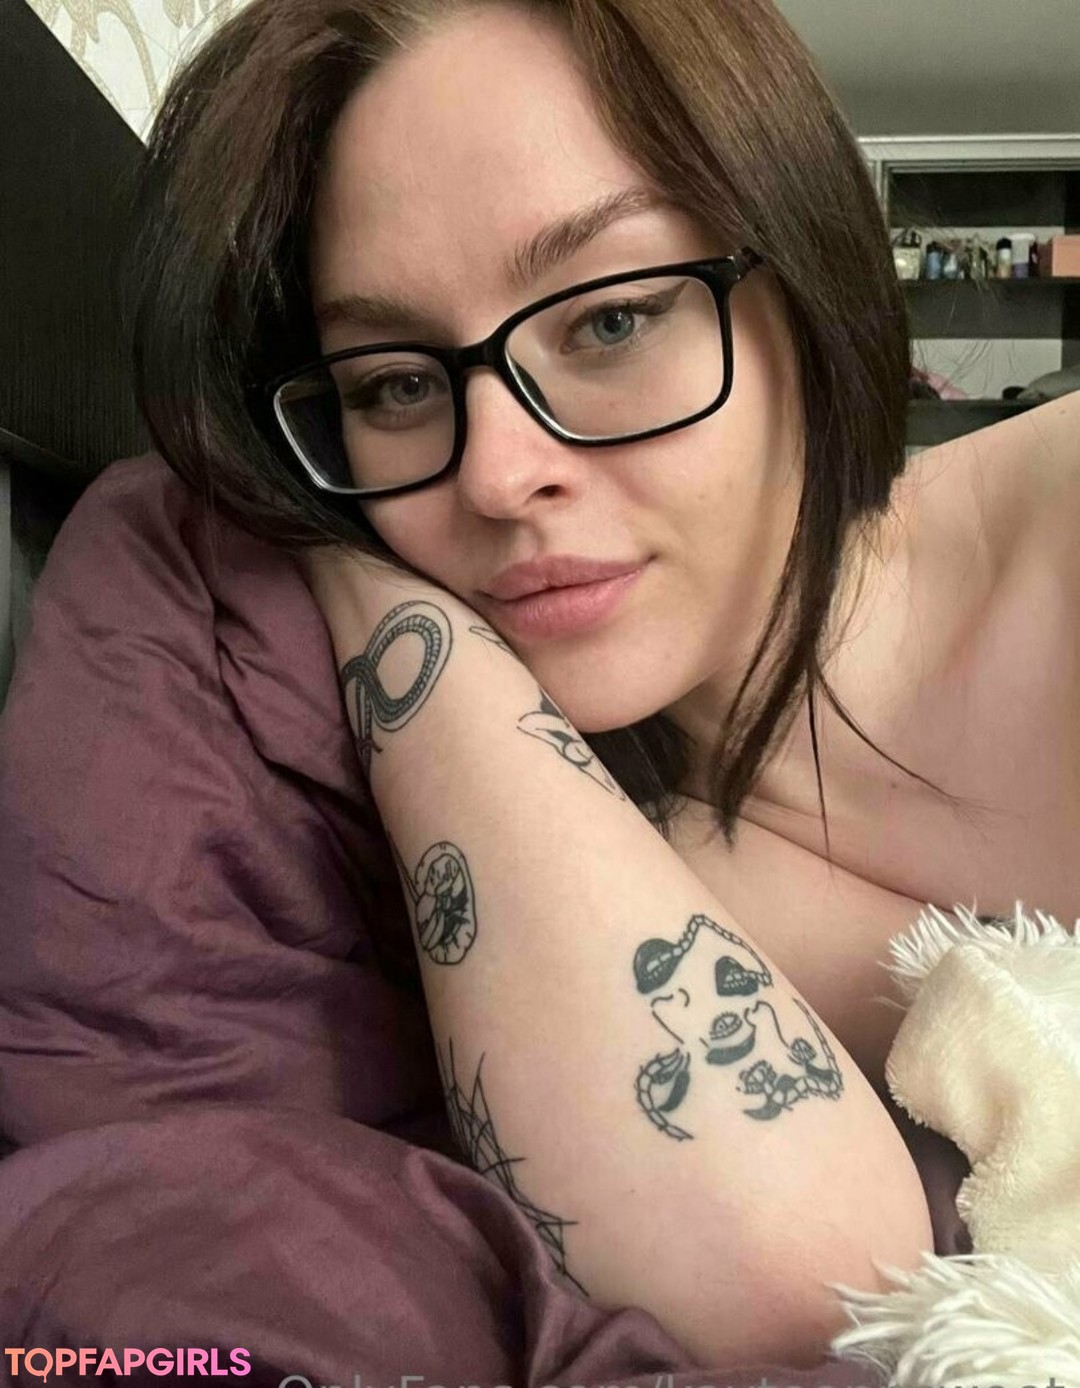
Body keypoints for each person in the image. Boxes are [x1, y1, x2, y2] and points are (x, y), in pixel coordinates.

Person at [120, 0, 1078, 1368]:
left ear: (808, 279)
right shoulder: (624, 836)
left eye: (614, 320)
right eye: (393, 387)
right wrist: (356, 576)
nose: (496, 475)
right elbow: (802, 1286)